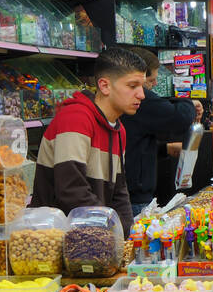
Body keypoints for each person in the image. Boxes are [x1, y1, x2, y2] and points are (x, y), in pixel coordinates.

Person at [30, 47, 146, 234]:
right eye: (132, 86)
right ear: (105, 85)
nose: (141, 95)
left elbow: (119, 193)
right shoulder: (75, 119)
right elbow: (71, 190)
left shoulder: (118, 130)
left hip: (90, 237)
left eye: (142, 86)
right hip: (52, 239)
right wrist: (111, 232)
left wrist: (128, 237)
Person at [119, 46, 203, 212]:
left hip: (131, 192)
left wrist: (164, 149)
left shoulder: (130, 102)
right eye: (151, 81)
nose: (154, 85)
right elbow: (178, 117)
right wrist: (188, 103)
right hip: (134, 197)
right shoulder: (141, 99)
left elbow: (133, 143)